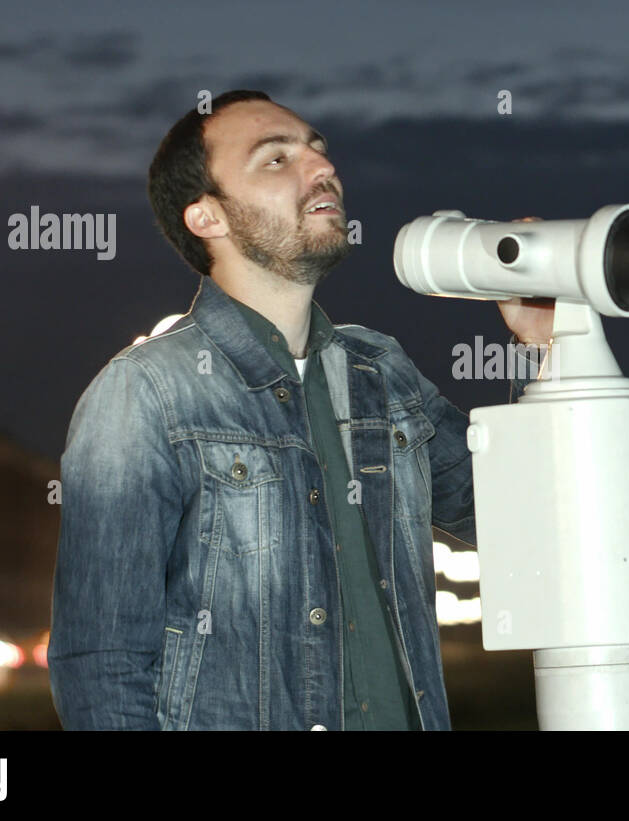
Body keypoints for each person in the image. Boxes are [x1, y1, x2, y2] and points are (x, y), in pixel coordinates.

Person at [48, 90, 554, 730]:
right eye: (275, 159)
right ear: (208, 218)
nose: (321, 169)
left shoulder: (383, 372)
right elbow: (102, 666)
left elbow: (528, 521)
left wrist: (542, 345)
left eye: (318, 149)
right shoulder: (147, 392)